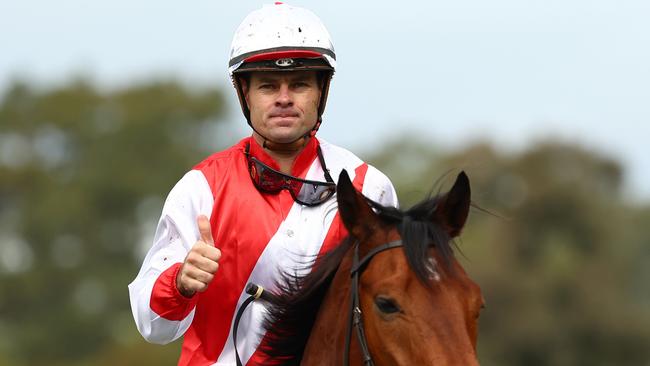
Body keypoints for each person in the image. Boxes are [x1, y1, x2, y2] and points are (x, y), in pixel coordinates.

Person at [128, 3, 398, 365]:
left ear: (322, 91)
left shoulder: (369, 188)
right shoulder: (201, 187)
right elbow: (153, 325)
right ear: (245, 93)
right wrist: (180, 282)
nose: (284, 98)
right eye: (268, 86)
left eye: (299, 84)